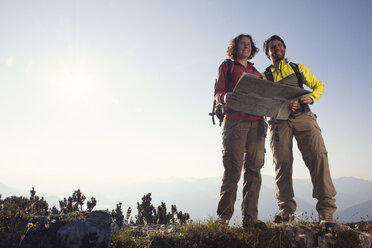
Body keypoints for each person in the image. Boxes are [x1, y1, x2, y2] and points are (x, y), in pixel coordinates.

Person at [262, 35, 337, 224]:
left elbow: (319, 85)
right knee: (282, 164)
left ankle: (326, 211)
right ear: (267, 52)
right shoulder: (264, 76)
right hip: (279, 122)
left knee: (318, 158)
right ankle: (286, 210)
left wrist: (310, 98)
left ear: (284, 49)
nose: (277, 48)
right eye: (272, 47)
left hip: (304, 117)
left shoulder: (298, 68)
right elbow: (261, 100)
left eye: (279, 45)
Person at [215, 34, 267, 228]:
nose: (246, 46)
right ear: (235, 47)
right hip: (235, 123)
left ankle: (250, 219)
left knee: (254, 171)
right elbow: (218, 92)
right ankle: (223, 219)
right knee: (233, 171)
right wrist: (225, 97)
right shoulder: (227, 66)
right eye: (242, 44)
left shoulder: (256, 72)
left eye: (248, 44)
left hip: (257, 125)